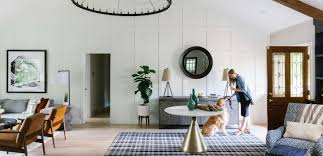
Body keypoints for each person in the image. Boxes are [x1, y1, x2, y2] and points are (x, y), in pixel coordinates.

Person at [228, 69, 253, 135]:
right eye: (229, 76)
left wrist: (233, 89)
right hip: (242, 98)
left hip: (246, 98)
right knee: (246, 114)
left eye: (231, 75)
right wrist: (231, 96)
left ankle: (241, 130)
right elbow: (237, 91)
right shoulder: (236, 79)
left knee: (245, 114)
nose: (230, 77)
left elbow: (244, 90)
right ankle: (248, 129)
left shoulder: (240, 78)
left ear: (234, 73)